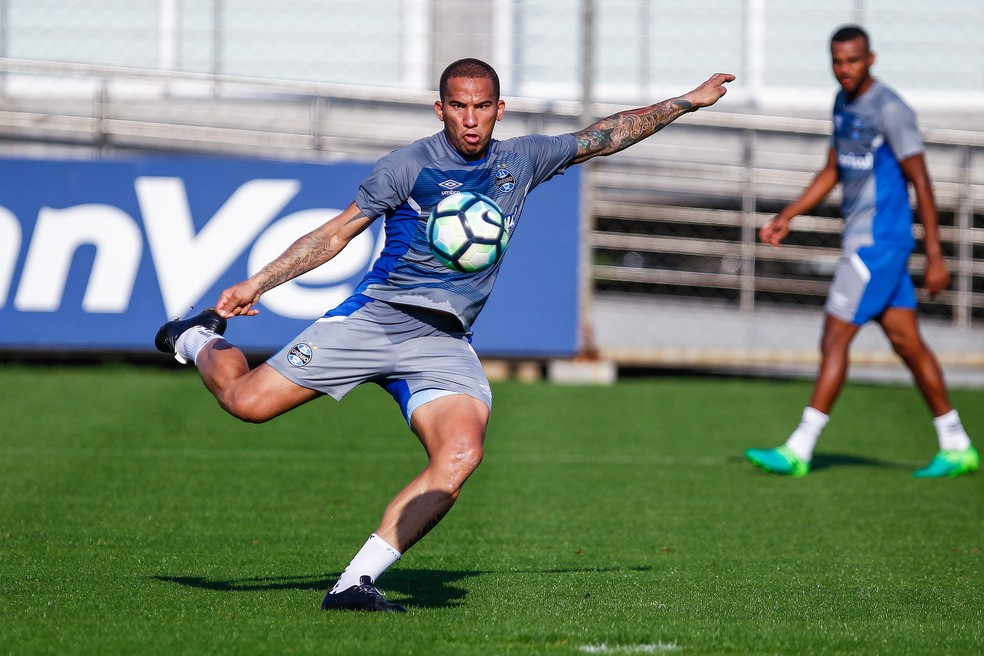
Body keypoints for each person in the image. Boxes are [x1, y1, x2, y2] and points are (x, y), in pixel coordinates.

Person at [155, 58, 735, 612]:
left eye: (482, 106)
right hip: (376, 320)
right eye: (459, 106)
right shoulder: (408, 166)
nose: (471, 118)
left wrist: (688, 101)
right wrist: (259, 283)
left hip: (444, 343)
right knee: (246, 404)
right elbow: (335, 235)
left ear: (500, 109)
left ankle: (356, 581)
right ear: (440, 109)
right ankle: (197, 338)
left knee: (461, 455)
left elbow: (605, 135)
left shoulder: (522, 162)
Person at [745, 26, 978, 479]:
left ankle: (800, 448)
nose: (844, 69)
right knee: (908, 343)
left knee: (834, 339)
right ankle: (957, 444)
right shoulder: (842, 103)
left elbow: (923, 182)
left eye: (852, 61)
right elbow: (832, 168)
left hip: (878, 245)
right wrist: (788, 214)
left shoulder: (891, 110)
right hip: (867, 242)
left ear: (870, 58)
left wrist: (935, 253)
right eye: (837, 61)